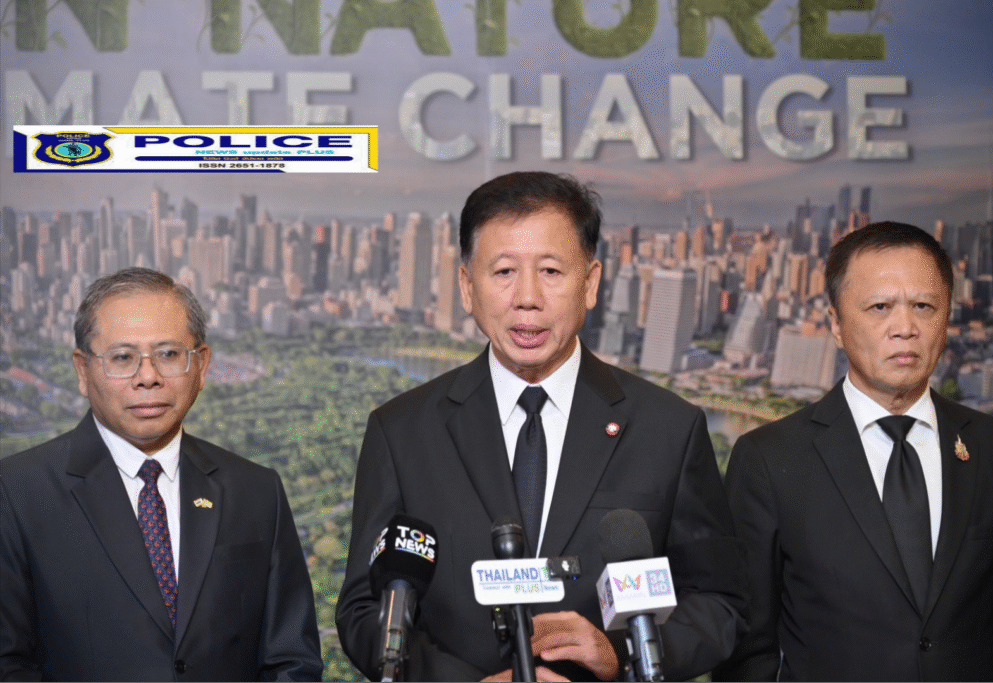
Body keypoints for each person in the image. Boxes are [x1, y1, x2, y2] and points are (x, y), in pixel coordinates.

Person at [336, 171, 747, 681]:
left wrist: (619, 654)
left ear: (590, 283)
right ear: (467, 286)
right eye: (504, 271)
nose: (527, 297)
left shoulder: (668, 429)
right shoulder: (401, 432)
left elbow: (718, 603)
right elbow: (363, 610)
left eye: (551, 271)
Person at [714, 222, 993, 682]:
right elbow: (746, 646)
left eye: (924, 306)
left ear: (947, 317)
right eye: (880, 308)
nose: (905, 328)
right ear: (836, 324)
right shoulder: (769, 460)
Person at [0, 268, 323, 681]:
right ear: (82, 370)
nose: (148, 377)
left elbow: (292, 661)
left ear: (201, 365)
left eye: (168, 354)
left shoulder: (257, 491)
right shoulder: (17, 493)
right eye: (123, 357)